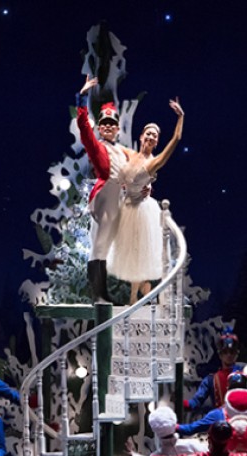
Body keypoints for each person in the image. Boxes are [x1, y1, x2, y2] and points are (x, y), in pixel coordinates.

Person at [108, 97, 185, 304]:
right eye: (148, 133)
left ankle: (135, 298)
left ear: (157, 141)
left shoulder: (154, 163)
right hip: (126, 207)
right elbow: (109, 148)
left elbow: (175, 140)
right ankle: (142, 289)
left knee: (140, 252)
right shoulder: (129, 154)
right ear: (141, 136)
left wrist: (180, 117)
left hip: (142, 209)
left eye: (155, 135)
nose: (151, 137)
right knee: (129, 253)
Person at [76, 75, 132, 302]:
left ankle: (104, 291)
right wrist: (82, 97)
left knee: (105, 247)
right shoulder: (97, 146)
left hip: (118, 197)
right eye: (104, 124)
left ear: (117, 129)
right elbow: (83, 127)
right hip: (104, 194)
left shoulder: (123, 152)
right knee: (99, 247)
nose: (108, 127)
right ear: (100, 128)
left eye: (112, 124)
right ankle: (98, 294)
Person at [184, 328, 247, 415]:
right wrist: (181, 402)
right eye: (225, 352)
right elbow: (196, 402)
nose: (229, 355)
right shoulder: (211, 380)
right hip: (221, 423)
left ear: (236, 354)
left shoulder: (245, 375)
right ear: (220, 355)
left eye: (232, 352)